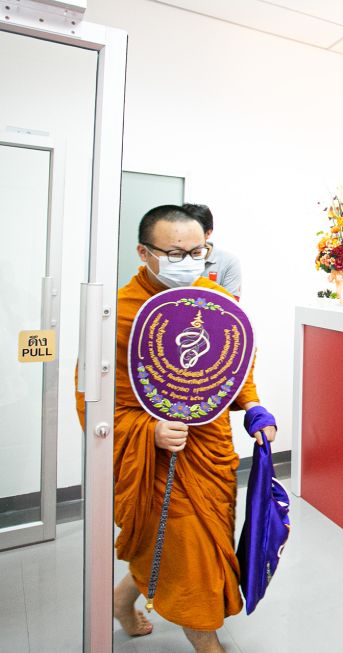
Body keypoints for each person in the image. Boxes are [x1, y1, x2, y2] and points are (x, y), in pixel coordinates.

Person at [77, 205, 276, 653]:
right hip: (159, 462)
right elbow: (96, 404)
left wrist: (254, 408)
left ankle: (121, 604)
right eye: (174, 253)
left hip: (208, 455)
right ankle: (207, 643)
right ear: (144, 253)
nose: (189, 262)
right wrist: (149, 431)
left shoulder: (211, 298)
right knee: (191, 558)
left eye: (198, 252)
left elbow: (234, 365)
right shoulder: (120, 313)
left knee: (174, 546)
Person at [182, 203, 243, 298]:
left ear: (208, 233)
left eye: (193, 232)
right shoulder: (170, 257)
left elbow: (230, 305)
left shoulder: (228, 262)